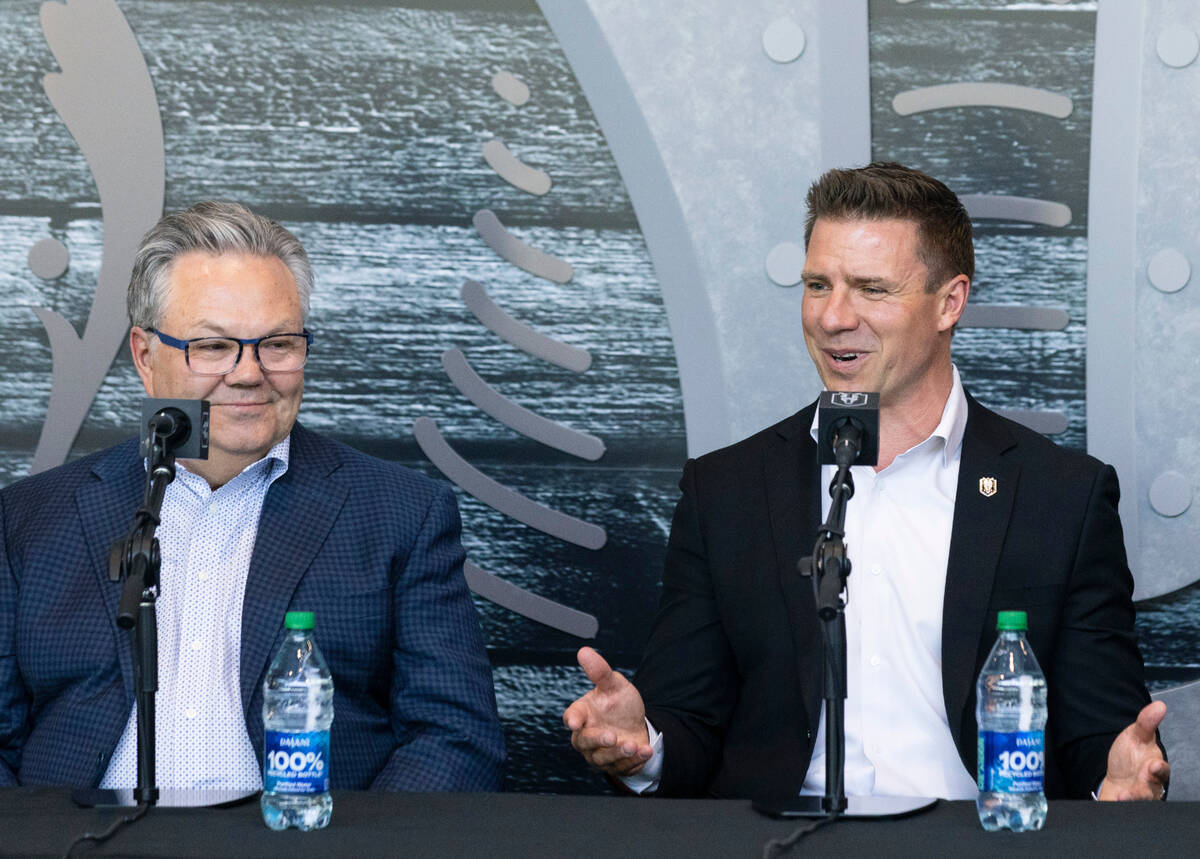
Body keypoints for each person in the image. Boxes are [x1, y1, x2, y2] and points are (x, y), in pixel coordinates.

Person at [563, 163, 1169, 802]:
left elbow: (1103, 739)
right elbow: (689, 723)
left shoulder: (1060, 497)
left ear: (949, 302)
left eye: (872, 289)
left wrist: (1120, 785)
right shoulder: (727, 491)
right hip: (779, 843)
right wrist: (642, 749)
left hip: (980, 844)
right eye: (818, 284)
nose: (832, 317)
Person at [0, 201, 505, 791]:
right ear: (145, 355)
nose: (248, 373)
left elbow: (456, 738)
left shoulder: (401, 516)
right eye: (213, 347)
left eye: (279, 344)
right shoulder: (30, 520)